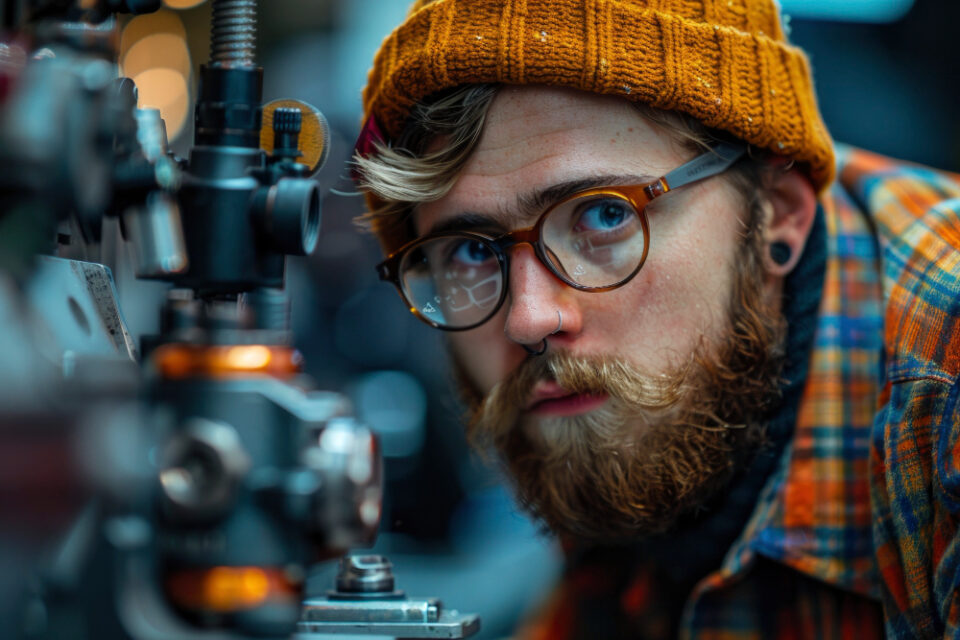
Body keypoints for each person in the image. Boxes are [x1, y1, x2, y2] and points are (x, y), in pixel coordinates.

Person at [351, 0, 960, 637]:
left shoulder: (944, 380)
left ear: (777, 214)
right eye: (471, 251)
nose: (528, 319)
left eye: (604, 215)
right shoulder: (642, 432)